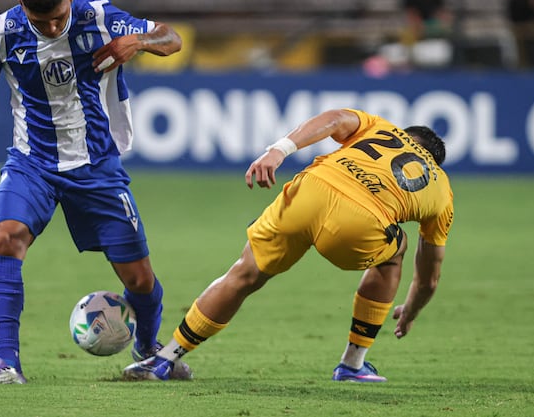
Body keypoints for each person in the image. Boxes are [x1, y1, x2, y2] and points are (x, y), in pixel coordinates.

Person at [0, 0, 190, 384]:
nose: (50, 29)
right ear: (20, 4)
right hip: (32, 163)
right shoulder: (2, 32)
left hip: (96, 165)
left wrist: (136, 42)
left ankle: (148, 350)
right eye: (39, 21)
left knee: (139, 278)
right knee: (5, 235)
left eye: (58, 18)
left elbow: (172, 38)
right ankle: (7, 364)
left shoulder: (98, 17)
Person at [123, 108, 454, 382]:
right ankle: (352, 364)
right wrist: (410, 311)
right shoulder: (442, 189)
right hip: (360, 225)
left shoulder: (380, 127)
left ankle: (163, 360)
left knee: (244, 274)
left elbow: (336, 119)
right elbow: (429, 278)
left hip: (312, 190)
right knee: (395, 250)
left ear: (403, 134)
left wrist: (279, 149)